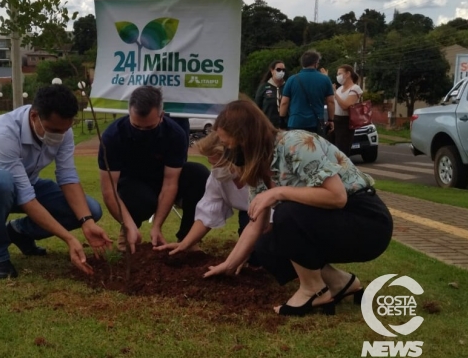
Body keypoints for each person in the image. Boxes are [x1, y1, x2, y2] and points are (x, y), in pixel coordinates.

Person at [202, 99, 393, 317]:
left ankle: (313, 289)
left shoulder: (296, 143)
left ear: (246, 137)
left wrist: (278, 192)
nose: (228, 153)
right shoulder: (259, 166)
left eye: (229, 145)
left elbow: (337, 197)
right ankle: (340, 283)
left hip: (366, 222)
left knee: (286, 214)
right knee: (266, 244)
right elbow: (256, 225)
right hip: (336, 220)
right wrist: (228, 264)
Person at [0, 84, 112, 279]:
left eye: (65, 129)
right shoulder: (2, 132)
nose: (59, 135)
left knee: (91, 209)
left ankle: (19, 232)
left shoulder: (63, 131)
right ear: (34, 116)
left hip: (26, 184)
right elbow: (25, 195)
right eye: (53, 129)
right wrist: (69, 238)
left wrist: (86, 221)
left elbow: (67, 177)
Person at [98, 86, 209, 253]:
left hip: (163, 179)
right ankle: (129, 233)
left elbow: (170, 183)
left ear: (161, 116)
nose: (142, 132)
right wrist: (128, 225)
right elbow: (109, 191)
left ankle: (188, 239)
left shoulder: (175, 134)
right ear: (129, 113)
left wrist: (156, 226)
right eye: (136, 126)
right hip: (132, 183)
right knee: (138, 198)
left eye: (149, 128)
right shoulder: (112, 136)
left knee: (199, 174)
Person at [154, 131, 252, 255]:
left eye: (219, 164)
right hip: (249, 213)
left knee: (257, 250)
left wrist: (236, 258)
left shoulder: (258, 174)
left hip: (267, 215)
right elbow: (207, 213)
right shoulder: (217, 178)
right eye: (212, 164)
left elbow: (265, 218)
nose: (215, 169)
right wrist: (185, 244)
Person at [279, 50, 335, 135]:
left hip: (296, 122)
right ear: (315, 63)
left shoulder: (292, 79)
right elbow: (330, 102)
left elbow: (284, 102)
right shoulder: (325, 79)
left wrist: (282, 119)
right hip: (316, 122)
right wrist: (331, 119)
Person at [331, 65, 363, 156]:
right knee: (332, 150)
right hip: (335, 120)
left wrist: (335, 94)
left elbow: (345, 106)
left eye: (340, 74)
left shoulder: (355, 88)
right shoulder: (339, 89)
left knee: (342, 151)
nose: (338, 76)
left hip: (345, 122)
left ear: (348, 74)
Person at [255, 60, 286, 128]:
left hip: (284, 125)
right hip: (268, 124)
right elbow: (257, 106)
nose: (281, 72)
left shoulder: (287, 86)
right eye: (278, 70)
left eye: (283, 70)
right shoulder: (264, 87)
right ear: (272, 71)